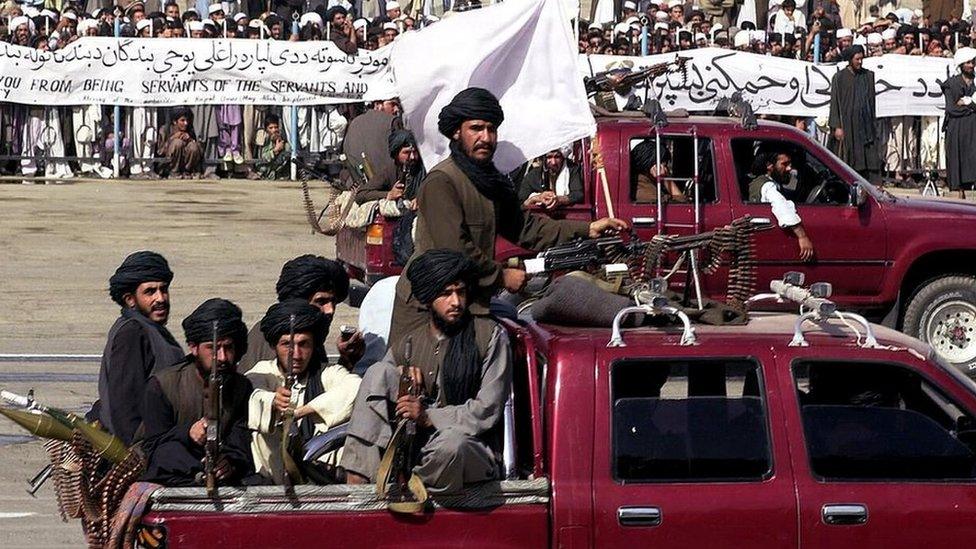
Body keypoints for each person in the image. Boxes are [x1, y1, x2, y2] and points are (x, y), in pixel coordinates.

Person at [388, 87, 628, 346]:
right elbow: (455, 250)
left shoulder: (489, 181)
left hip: (469, 304)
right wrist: (501, 276)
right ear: (457, 132)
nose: (486, 137)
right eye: (476, 129)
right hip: (427, 309)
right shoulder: (442, 181)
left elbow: (525, 227)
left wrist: (588, 229)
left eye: (491, 129)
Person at [341, 249, 511, 494]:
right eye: (446, 294)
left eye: (460, 292)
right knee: (378, 373)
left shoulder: (489, 336)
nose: (456, 302)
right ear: (429, 298)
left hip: (470, 447)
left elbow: (488, 409)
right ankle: (358, 487)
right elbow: (379, 389)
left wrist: (429, 416)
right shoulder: (409, 342)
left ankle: (410, 487)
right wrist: (401, 374)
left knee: (452, 446)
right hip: (417, 448)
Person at [244, 299, 362, 485]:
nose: (296, 355)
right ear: (274, 346)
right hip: (271, 480)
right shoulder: (263, 372)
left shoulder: (326, 373)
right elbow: (252, 395)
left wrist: (302, 412)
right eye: (286, 345)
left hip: (321, 477)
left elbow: (356, 387)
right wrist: (273, 402)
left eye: (303, 344)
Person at [141, 299, 255, 487]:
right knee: (169, 453)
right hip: (174, 469)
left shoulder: (241, 388)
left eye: (228, 348)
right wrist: (187, 433)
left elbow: (240, 443)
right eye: (213, 348)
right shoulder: (163, 385)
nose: (222, 357)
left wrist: (229, 464)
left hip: (220, 473)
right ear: (194, 348)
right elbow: (152, 446)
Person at [91, 251, 185, 445]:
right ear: (130, 299)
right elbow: (125, 406)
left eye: (164, 289)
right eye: (150, 292)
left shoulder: (153, 330)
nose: (160, 298)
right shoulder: (132, 333)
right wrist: (137, 454)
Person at [239, 254, 363, 371]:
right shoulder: (282, 336)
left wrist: (346, 359)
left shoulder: (311, 334)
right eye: (321, 301)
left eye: (333, 302)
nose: (330, 310)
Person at [748, 151, 815, 261]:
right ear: (769, 165)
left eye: (790, 164)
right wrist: (802, 236)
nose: (789, 169)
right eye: (784, 164)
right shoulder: (767, 186)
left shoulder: (767, 182)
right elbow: (781, 205)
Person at [828, 45, 880, 183]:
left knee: (868, 157)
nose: (860, 62)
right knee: (847, 157)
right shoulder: (839, 78)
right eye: (857, 59)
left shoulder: (868, 76)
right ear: (850, 59)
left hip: (865, 125)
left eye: (861, 59)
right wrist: (837, 126)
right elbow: (834, 103)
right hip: (847, 125)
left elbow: (871, 102)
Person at [347, 89, 401, 204]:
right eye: (393, 104)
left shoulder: (354, 122)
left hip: (356, 186)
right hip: (386, 190)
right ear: (377, 104)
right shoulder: (393, 122)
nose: (396, 109)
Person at [942, 47, 976, 199]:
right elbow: (952, 109)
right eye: (968, 62)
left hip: (973, 129)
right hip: (957, 129)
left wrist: (967, 103)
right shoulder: (952, 84)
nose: (971, 65)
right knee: (959, 162)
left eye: (973, 62)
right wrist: (972, 107)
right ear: (961, 65)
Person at [517, 147, 584, 210]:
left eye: (557, 157)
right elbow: (522, 202)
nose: (553, 162)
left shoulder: (572, 170)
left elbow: (577, 194)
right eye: (549, 157)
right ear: (544, 159)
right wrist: (537, 198)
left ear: (563, 158)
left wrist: (559, 200)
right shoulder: (533, 175)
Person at [631, 138, 685, 203]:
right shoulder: (648, 192)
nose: (666, 170)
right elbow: (682, 204)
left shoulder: (639, 182)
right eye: (664, 166)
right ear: (655, 166)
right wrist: (666, 179)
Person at [158, 107, 204, 178]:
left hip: (185, 165)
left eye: (186, 120)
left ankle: (187, 172)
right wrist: (172, 139)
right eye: (182, 120)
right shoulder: (164, 130)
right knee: (178, 143)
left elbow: (200, 151)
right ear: (174, 121)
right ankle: (174, 172)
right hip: (168, 165)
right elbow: (160, 152)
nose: (186, 123)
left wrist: (190, 139)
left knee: (193, 146)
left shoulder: (190, 130)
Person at [255, 114, 291, 180]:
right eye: (271, 128)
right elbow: (262, 158)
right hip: (266, 172)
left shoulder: (283, 141)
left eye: (276, 127)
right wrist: (275, 150)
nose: (274, 130)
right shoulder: (264, 140)